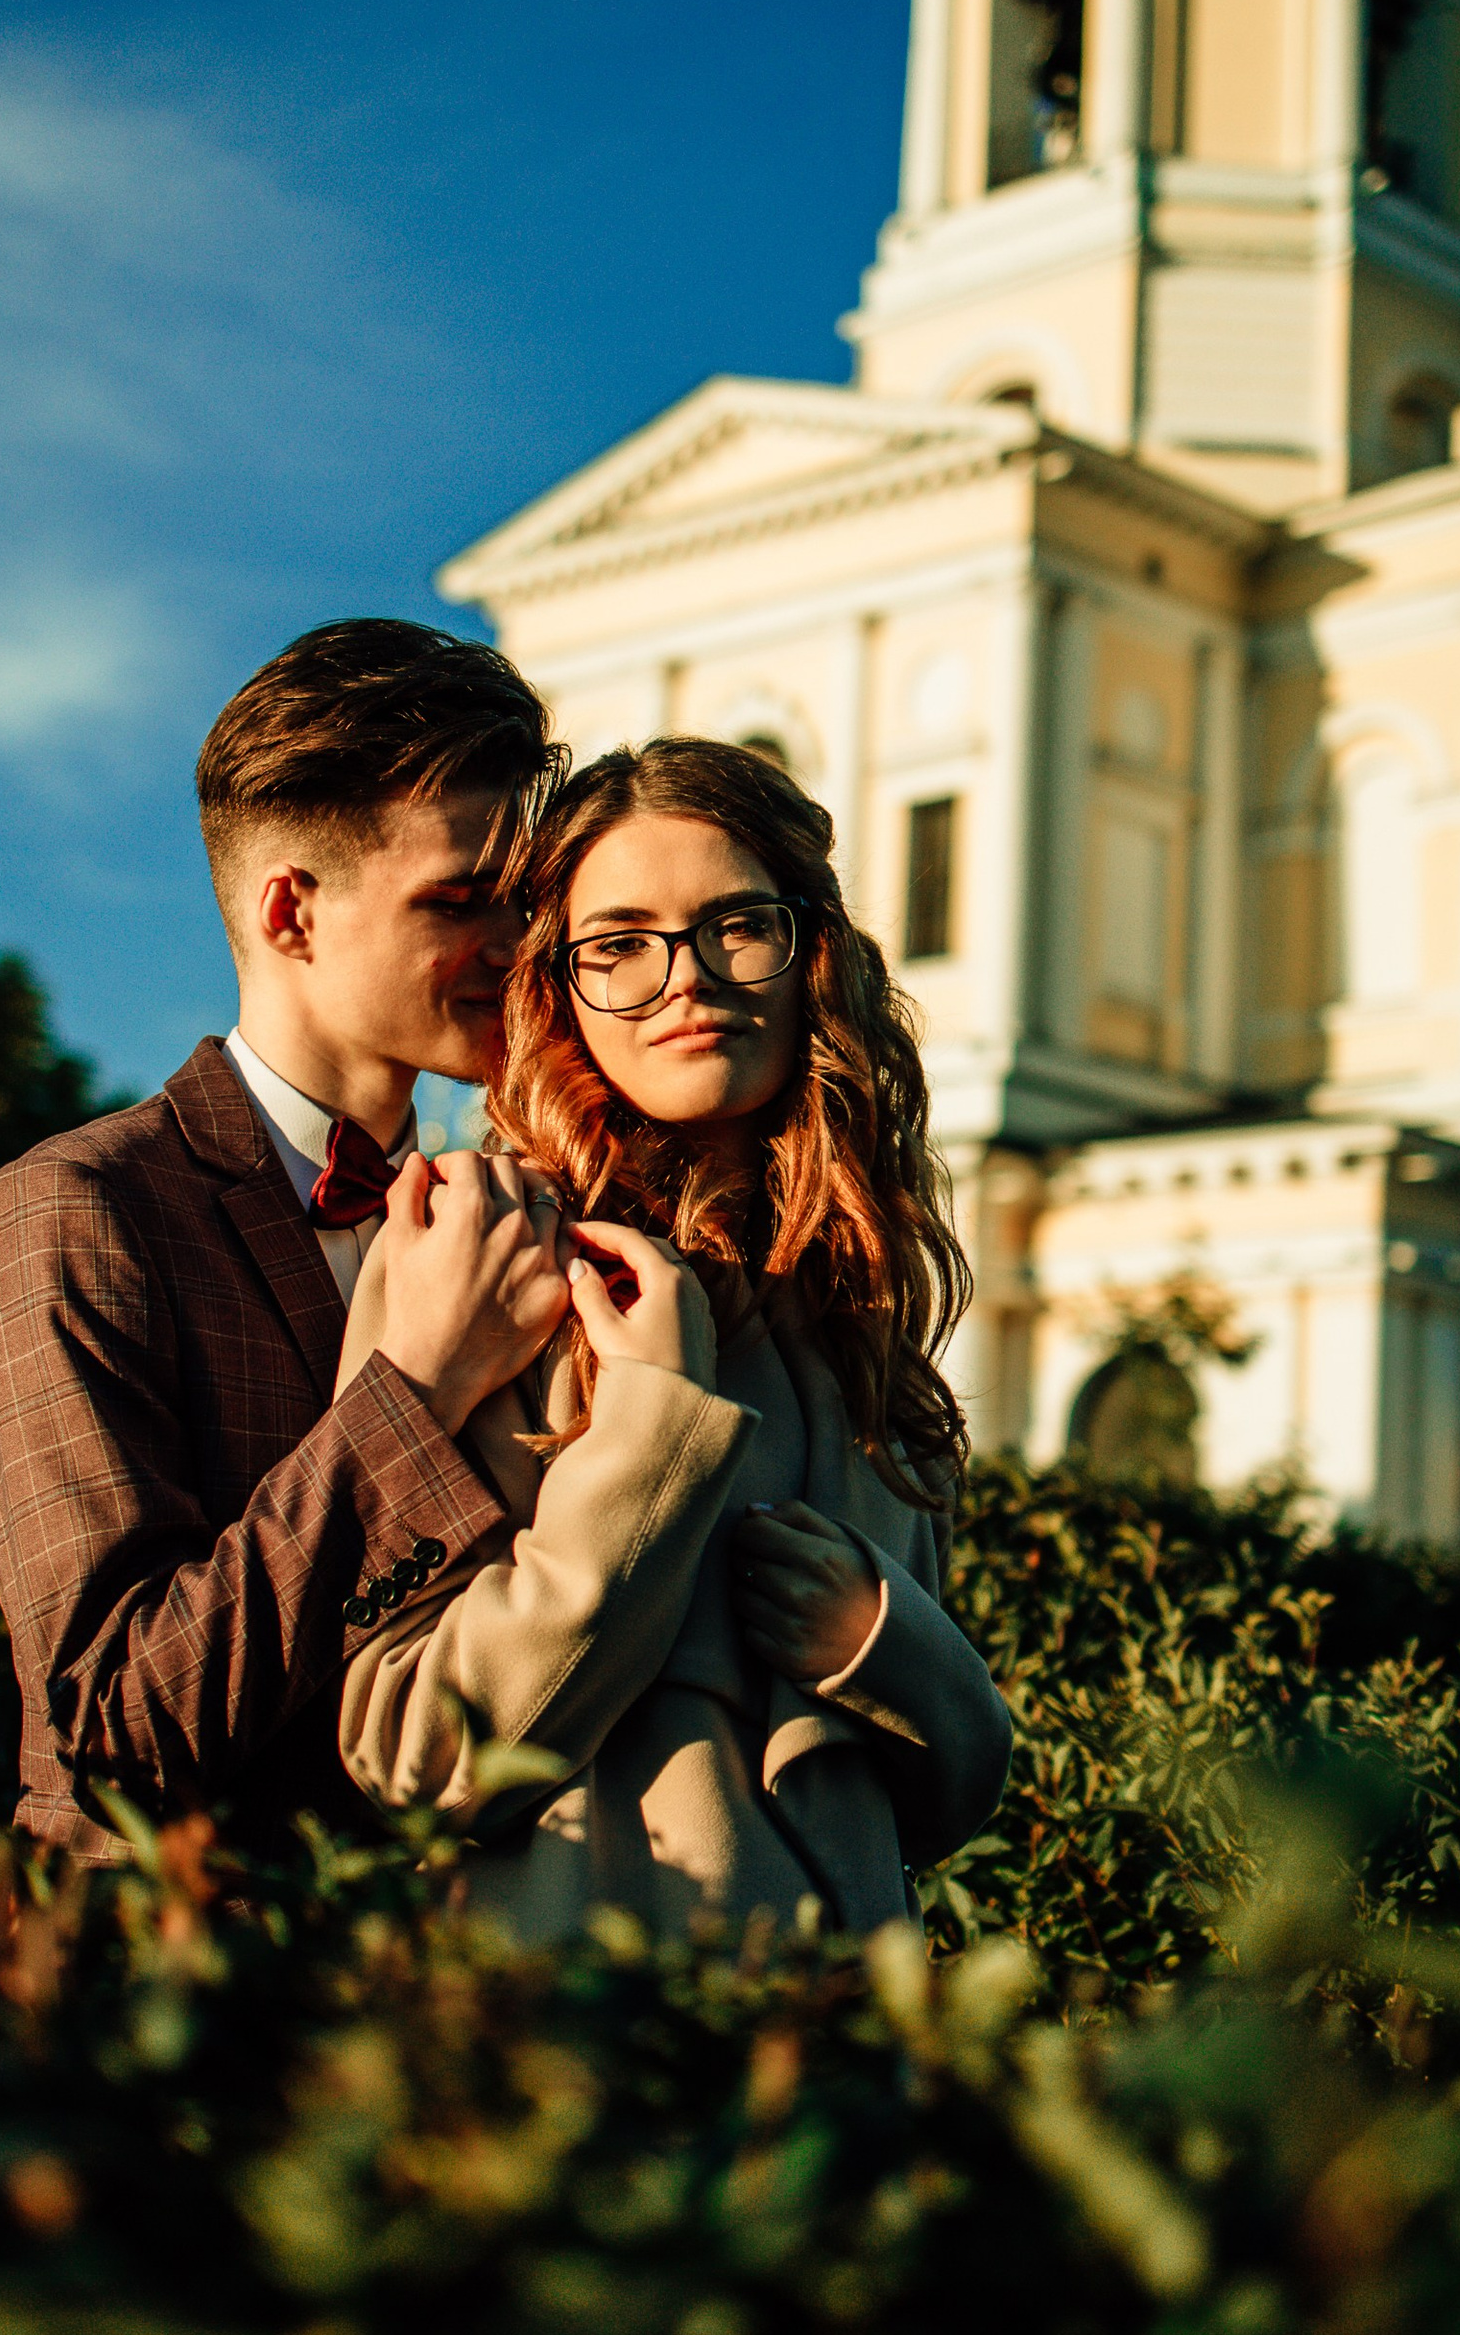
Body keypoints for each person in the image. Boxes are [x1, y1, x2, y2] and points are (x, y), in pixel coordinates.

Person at [331, 736, 1012, 1940]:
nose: (682, 979)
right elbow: (406, 1750)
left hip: (848, 2062)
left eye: (735, 925)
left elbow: (939, 1805)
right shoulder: (477, 1251)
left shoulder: (859, 1303)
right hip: (586, 2050)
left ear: (815, 955)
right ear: (559, 986)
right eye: (619, 946)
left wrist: (886, 1643)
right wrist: (648, 1428)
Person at [0, 620, 571, 1864]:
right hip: (174, 1996)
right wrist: (422, 1387)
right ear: (291, 911)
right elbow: (118, 1718)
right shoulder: (75, 1207)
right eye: (461, 901)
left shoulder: (497, 1225)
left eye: (527, 900)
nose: (516, 948)